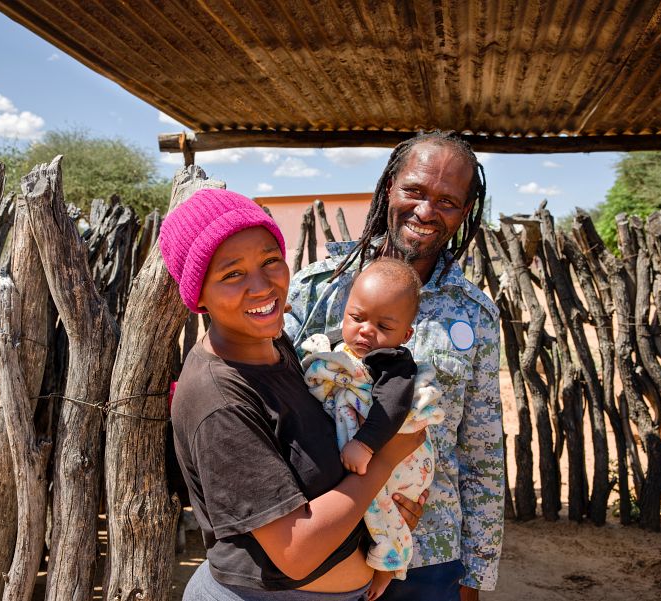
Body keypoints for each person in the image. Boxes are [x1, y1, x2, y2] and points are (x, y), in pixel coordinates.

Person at [160, 188, 430, 601]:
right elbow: (296, 551)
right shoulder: (219, 399)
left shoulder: (275, 347)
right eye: (232, 274)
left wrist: (380, 545)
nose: (262, 285)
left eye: (270, 260)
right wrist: (386, 459)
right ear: (198, 295)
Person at [285, 131, 504, 601]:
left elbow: (481, 453)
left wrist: (474, 576)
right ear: (389, 188)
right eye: (414, 191)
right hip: (325, 544)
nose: (426, 211)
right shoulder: (319, 289)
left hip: (430, 552)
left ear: (466, 210)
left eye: (447, 201)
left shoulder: (475, 315)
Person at [299, 258, 446, 600]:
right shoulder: (336, 348)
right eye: (357, 317)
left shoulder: (395, 365)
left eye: (383, 325)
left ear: (405, 335)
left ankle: (389, 565)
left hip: (395, 457)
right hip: (363, 456)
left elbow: (392, 407)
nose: (366, 330)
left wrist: (365, 444)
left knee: (384, 509)